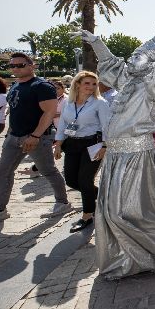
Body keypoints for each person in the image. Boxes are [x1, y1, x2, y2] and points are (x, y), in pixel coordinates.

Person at [66, 27, 155, 279]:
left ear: (150, 62)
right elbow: (111, 63)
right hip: (116, 155)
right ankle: (126, 252)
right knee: (113, 207)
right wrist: (97, 42)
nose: (131, 59)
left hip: (136, 155)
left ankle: (150, 249)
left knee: (123, 211)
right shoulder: (129, 80)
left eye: (138, 56)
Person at [0, 53, 72, 224]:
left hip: (36, 138)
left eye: (20, 65)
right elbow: (15, 112)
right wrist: (10, 133)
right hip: (14, 137)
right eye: (12, 66)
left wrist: (35, 135)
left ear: (32, 66)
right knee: (2, 170)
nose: (16, 68)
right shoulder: (15, 86)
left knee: (48, 170)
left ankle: (62, 202)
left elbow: (49, 112)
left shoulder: (42, 86)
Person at [53, 71, 111, 233]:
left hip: (93, 144)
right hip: (72, 144)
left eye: (94, 84)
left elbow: (107, 126)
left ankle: (87, 215)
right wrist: (58, 143)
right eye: (87, 83)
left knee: (85, 180)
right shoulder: (68, 103)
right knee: (71, 180)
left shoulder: (100, 103)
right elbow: (63, 124)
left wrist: (105, 146)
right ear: (77, 84)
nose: (91, 87)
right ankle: (103, 198)